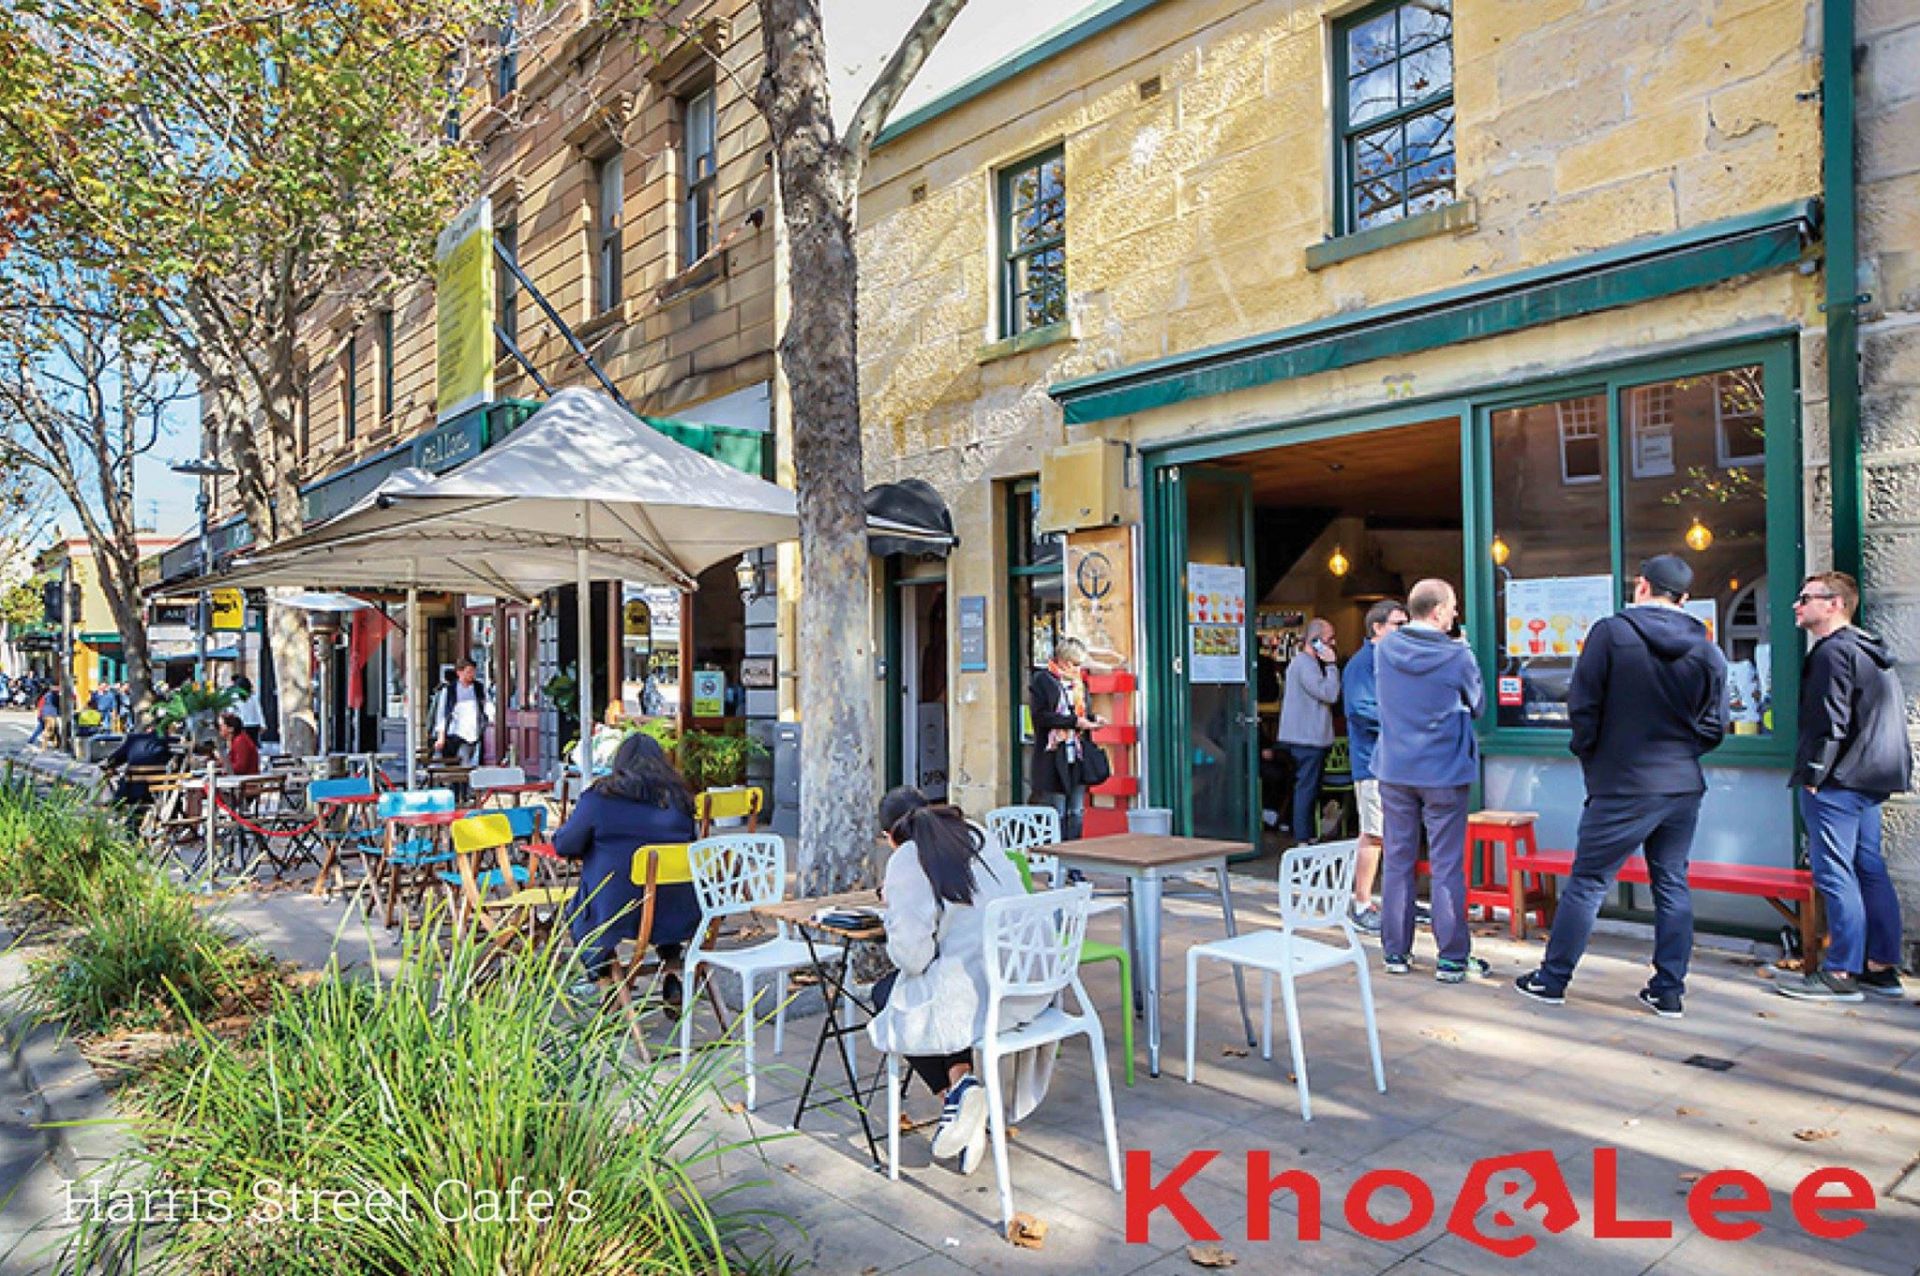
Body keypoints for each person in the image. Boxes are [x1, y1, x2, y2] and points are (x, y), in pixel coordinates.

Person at [1515, 555, 1727, 1018]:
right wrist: (1682, 753)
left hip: (1622, 782)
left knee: (1589, 882)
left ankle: (1552, 980)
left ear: (1642, 586)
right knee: (1671, 882)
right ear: (1685, 598)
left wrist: (1593, 756)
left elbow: (1583, 705)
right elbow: (1715, 725)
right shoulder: (1706, 649)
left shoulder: (1611, 633)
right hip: (1681, 783)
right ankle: (1668, 990)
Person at [867, 787, 1049, 1177]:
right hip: (1032, 982)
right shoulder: (976, 833)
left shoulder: (907, 858)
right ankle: (963, 1096)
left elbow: (912, 958)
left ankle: (957, 1094)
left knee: (889, 993)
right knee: (946, 986)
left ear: (890, 836)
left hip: (985, 996)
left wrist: (893, 910)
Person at [1776, 571, 1911, 1003]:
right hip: (1869, 776)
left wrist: (1815, 774)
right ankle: (1881, 967)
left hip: (1839, 779)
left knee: (1835, 872)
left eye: (1806, 598)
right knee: (1868, 867)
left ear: (1834, 604)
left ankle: (1841, 972)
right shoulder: (1868, 649)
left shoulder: (1833, 652)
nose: (1796, 605)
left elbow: (1828, 721)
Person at [1374, 579, 1485, 982]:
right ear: (1437, 611)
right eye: (1452, 607)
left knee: (1397, 860)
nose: (1456, 614)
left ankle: (1395, 952)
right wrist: (1467, 653)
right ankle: (1451, 958)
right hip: (1443, 771)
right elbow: (1478, 705)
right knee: (1446, 864)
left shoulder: (1385, 649)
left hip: (1395, 769)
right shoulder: (1457, 655)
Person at [552, 732, 700, 992]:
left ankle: (607, 982)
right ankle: (672, 967)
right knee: (663, 892)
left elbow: (565, 845)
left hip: (616, 908)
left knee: (581, 910)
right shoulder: (680, 800)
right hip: (678, 907)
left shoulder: (599, 798)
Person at [1341, 598, 1408, 934]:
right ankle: (1362, 903)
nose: (1405, 631)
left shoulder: (1393, 660)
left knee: (1395, 834)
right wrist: (1404, 722)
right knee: (1374, 833)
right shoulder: (1362, 664)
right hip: (1372, 762)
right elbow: (1359, 709)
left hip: (1397, 761)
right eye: (1399, 624)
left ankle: (1398, 901)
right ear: (1377, 627)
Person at [1027, 637, 1102, 840]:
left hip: (1076, 753)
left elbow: (1080, 713)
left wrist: (1093, 719)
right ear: (1062, 661)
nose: (1077, 669)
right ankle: (1056, 855)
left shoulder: (1078, 684)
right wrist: (1075, 722)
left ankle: (1074, 856)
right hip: (1053, 754)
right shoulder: (1043, 680)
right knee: (1057, 812)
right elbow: (1041, 717)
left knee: (1076, 811)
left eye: (1080, 665)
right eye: (1074, 664)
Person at [1277, 618, 1341, 844]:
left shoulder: (1302, 664)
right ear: (1315, 641)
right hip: (1308, 739)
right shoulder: (1306, 665)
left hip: (1304, 737)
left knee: (1308, 788)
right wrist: (1332, 666)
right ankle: (1304, 837)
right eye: (1329, 639)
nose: (1334, 644)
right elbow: (1329, 693)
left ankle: (1307, 834)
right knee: (1307, 789)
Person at [101, 719, 173, 807]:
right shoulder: (171, 742)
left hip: (129, 792)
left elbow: (112, 761)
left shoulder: (134, 739)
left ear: (150, 728)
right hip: (160, 793)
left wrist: (110, 768)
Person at [431, 659, 491, 765]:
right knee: (459, 761)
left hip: (473, 734)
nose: (472, 675)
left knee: (467, 760)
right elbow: (442, 714)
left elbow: (485, 706)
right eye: (469, 672)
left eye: (473, 672)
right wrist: (441, 737)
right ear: (459, 672)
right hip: (455, 734)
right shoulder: (449, 690)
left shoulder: (478, 688)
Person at [217, 710, 261, 775]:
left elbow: (240, 768)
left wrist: (222, 760)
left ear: (231, 728)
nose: (219, 729)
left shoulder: (240, 741)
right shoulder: (234, 741)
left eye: (221, 726)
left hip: (246, 779)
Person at [231, 675, 266, 743]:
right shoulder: (253, 697)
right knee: (252, 745)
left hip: (240, 726)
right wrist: (263, 724)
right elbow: (259, 711)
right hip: (253, 725)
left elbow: (232, 712)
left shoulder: (235, 697)